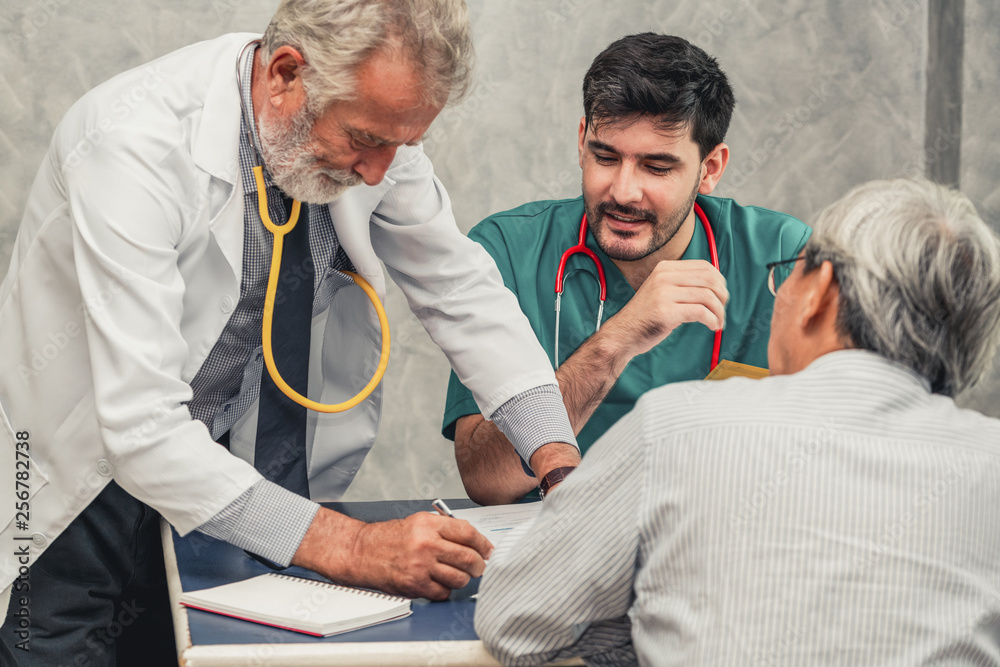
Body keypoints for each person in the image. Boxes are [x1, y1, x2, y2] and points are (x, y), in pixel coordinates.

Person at [0, 1, 582, 663]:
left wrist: (559, 465)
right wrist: (355, 546)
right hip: (74, 478)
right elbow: (140, 427)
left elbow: (462, 290)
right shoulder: (133, 144)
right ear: (284, 74)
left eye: (403, 145)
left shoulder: (370, 133)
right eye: (366, 139)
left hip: (213, 473)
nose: (378, 173)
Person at [474, 177, 1000, 666]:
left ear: (819, 292)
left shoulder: (674, 426)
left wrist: (657, 621)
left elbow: (514, 620)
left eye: (793, 270)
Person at [443, 33, 811, 505]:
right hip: (557, 552)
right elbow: (482, 478)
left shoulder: (781, 256)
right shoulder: (507, 250)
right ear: (581, 142)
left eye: (657, 167)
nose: (623, 191)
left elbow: (826, 446)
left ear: (710, 168)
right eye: (605, 156)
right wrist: (616, 342)